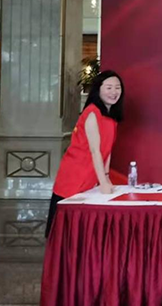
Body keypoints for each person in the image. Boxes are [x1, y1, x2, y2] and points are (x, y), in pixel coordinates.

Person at [46, 70, 124, 237]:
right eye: (109, 87)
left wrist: (106, 177)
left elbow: (107, 151)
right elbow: (95, 151)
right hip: (76, 175)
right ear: (98, 90)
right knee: (65, 229)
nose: (114, 92)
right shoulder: (92, 113)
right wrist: (103, 183)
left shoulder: (111, 117)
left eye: (117, 88)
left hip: (91, 175)